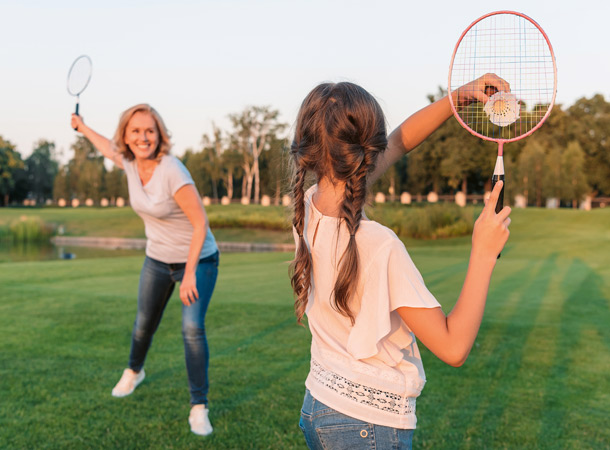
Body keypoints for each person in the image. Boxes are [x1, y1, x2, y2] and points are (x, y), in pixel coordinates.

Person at [289, 75, 511, 449]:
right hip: (365, 425)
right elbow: (453, 348)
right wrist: (483, 252)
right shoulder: (379, 245)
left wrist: (457, 99)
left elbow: (397, 143)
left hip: (319, 404)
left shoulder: (307, 207)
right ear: (368, 152)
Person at [71, 105, 219, 437]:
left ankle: (199, 407)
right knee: (143, 325)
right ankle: (134, 371)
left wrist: (190, 273)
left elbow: (200, 224)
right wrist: (82, 127)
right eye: (135, 131)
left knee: (192, 329)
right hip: (157, 259)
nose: (143, 137)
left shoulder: (172, 171)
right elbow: (105, 147)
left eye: (149, 131)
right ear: (125, 134)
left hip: (199, 260)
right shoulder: (128, 161)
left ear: (159, 134)